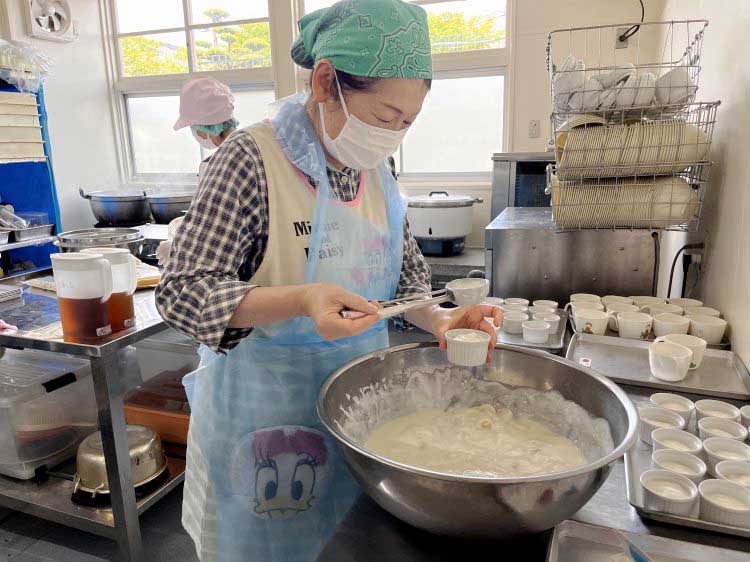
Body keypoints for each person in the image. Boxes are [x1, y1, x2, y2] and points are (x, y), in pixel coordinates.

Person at [155, 1, 502, 560]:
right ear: (324, 82)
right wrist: (302, 299)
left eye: (408, 123)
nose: (392, 135)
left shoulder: (377, 172)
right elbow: (182, 293)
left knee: (346, 544)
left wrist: (440, 319)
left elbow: (406, 281)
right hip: (262, 420)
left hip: (355, 417)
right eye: (386, 116)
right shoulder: (250, 159)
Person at [157, 78, 239, 265]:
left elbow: (216, 227)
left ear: (204, 129)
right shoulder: (252, 148)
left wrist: (179, 246)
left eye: (193, 127)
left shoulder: (219, 165)